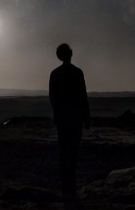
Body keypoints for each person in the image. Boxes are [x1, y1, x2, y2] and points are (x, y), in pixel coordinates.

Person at [48, 42, 90, 198]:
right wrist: (87, 117)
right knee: (73, 151)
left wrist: (57, 114)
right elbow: (82, 96)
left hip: (63, 118)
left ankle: (65, 184)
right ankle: (70, 185)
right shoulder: (77, 73)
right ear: (70, 54)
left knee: (63, 151)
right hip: (75, 118)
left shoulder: (55, 74)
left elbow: (53, 97)